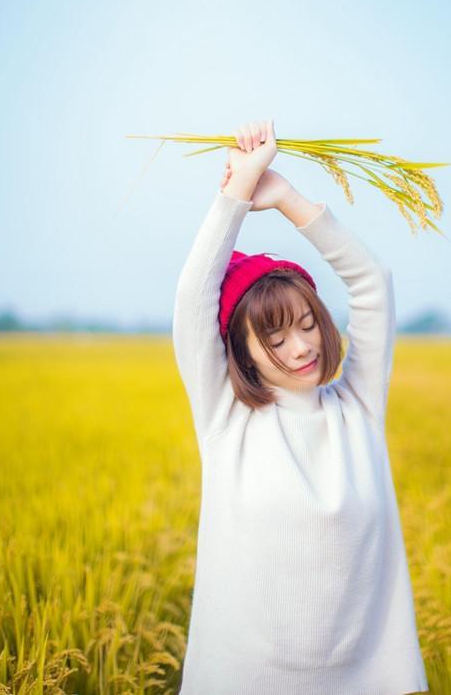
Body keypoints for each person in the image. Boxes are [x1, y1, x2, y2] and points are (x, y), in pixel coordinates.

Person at [172, 118, 429, 695]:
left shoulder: (357, 407)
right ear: (241, 352)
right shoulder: (226, 422)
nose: (304, 346)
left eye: (309, 323)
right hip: (246, 680)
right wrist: (236, 193)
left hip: (364, 679)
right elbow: (194, 301)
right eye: (277, 339)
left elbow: (373, 281)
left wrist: (286, 198)